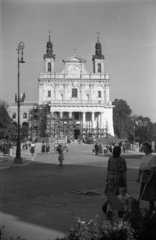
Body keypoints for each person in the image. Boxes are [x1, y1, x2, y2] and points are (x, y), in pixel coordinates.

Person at [102, 146, 127, 213]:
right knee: (118, 193)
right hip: (118, 177)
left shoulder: (110, 159)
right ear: (119, 152)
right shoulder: (122, 160)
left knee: (110, 193)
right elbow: (123, 171)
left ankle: (110, 205)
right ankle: (118, 207)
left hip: (110, 176)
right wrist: (125, 182)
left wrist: (107, 178)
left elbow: (108, 169)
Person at [136, 142, 156, 212]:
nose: (144, 149)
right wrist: (138, 177)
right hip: (144, 175)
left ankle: (151, 207)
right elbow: (140, 168)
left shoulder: (152, 157)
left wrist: (150, 178)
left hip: (151, 175)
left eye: (146, 148)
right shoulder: (142, 157)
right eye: (143, 148)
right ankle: (152, 206)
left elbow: (153, 168)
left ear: (149, 149)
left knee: (151, 192)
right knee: (146, 192)